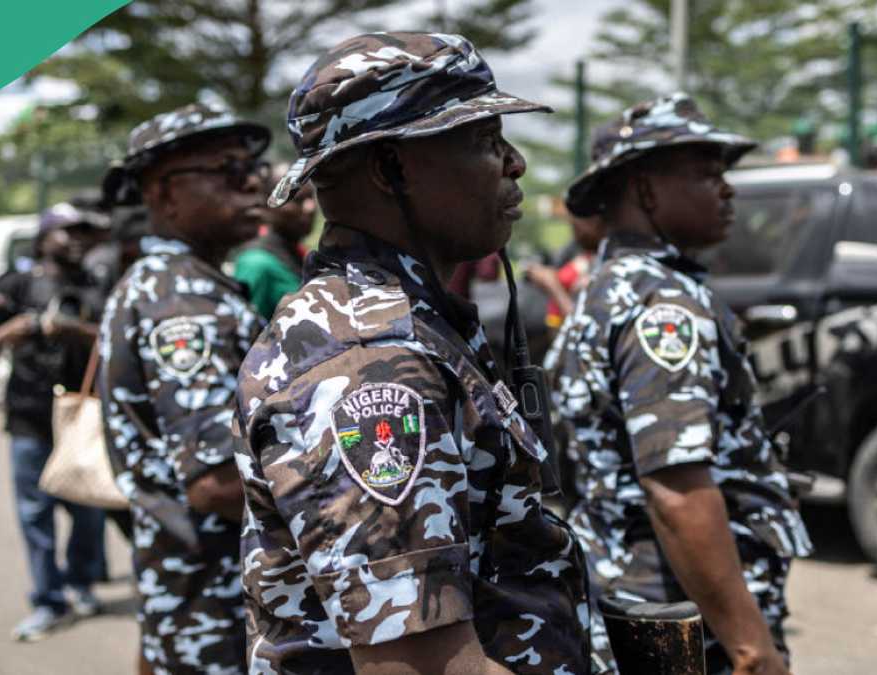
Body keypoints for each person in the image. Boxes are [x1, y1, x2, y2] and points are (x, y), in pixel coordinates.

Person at [233, 32, 592, 674]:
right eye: (484, 140)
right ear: (390, 167)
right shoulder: (364, 358)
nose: (516, 164)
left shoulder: (407, 317)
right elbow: (421, 665)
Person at [546, 93, 813, 675]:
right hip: (681, 624)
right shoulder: (663, 306)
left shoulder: (607, 286)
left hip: (635, 603)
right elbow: (676, 485)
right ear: (644, 190)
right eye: (706, 173)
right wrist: (750, 647)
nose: (728, 189)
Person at [97, 103, 269, 674]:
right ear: (163, 193)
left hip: (189, 594)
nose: (253, 181)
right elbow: (216, 485)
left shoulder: (177, 283)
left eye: (253, 166)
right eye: (227, 169)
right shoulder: (184, 303)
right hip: (214, 607)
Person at [0, 201, 110, 642]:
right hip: (29, 417)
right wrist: (12, 330)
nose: (75, 240)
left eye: (82, 233)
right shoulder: (16, 284)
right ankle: (49, 601)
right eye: (66, 231)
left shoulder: (94, 286)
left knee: (86, 507)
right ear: (44, 236)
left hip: (79, 418)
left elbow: (112, 339)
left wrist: (73, 330)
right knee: (35, 513)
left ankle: (82, 582)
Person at [232, 171, 317, 320]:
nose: (310, 207)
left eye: (311, 197)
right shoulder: (256, 265)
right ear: (268, 206)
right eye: (297, 199)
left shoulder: (302, 254)